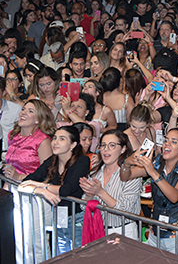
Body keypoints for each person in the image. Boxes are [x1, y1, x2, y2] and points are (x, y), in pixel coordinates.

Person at [120, 127, 178, 257]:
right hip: (155, 231)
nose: (167, 144)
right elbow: (126, 176)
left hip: (177, 236)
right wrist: (127, 162)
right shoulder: (157, 162)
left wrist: (152, 172)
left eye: (174, 141)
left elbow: (174, 196)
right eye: (166, 140)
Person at [20, 125, 91, 255]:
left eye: (62, 139)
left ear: (73, 144)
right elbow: (26, 182)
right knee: (61, 257)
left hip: (77, 219)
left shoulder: (82, 161)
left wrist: (43, 186)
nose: (55, 142)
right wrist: (43, 192)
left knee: (80, 258)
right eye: (55, 138)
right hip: (58, 217)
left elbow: (66, 190)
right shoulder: (52, 160)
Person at [78, 129, 141, 239]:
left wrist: (100, 192)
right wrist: (90, 194)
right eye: (103, 145)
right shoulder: (95, 172)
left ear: (123, 149)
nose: (106, 150)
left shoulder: (132, 174)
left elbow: (126, 210)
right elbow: (83, 206)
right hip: (99, 229)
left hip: (124, 230)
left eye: (112, 145)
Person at [2, 99, 55, 181]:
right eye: (23, 109)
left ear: (38, 119)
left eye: (30, 111)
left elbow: (47, 175)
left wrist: (19, 177)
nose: (23, 112)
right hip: (9, 184)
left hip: (29, 188)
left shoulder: (43, 141)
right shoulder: (13, 135)